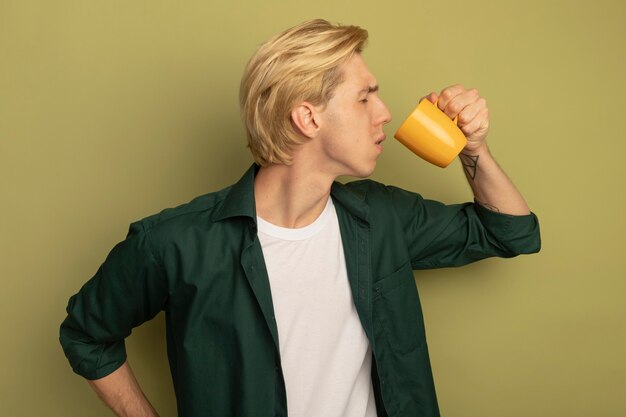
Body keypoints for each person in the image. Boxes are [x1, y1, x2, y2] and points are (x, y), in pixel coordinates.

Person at [59, 19, 540, 417]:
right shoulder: (175, 242)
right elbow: (86, 334)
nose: (385, 113)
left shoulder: (382, 216)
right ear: (308, 118)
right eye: (364, 97)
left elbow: (511, 231)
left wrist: (472, 149)